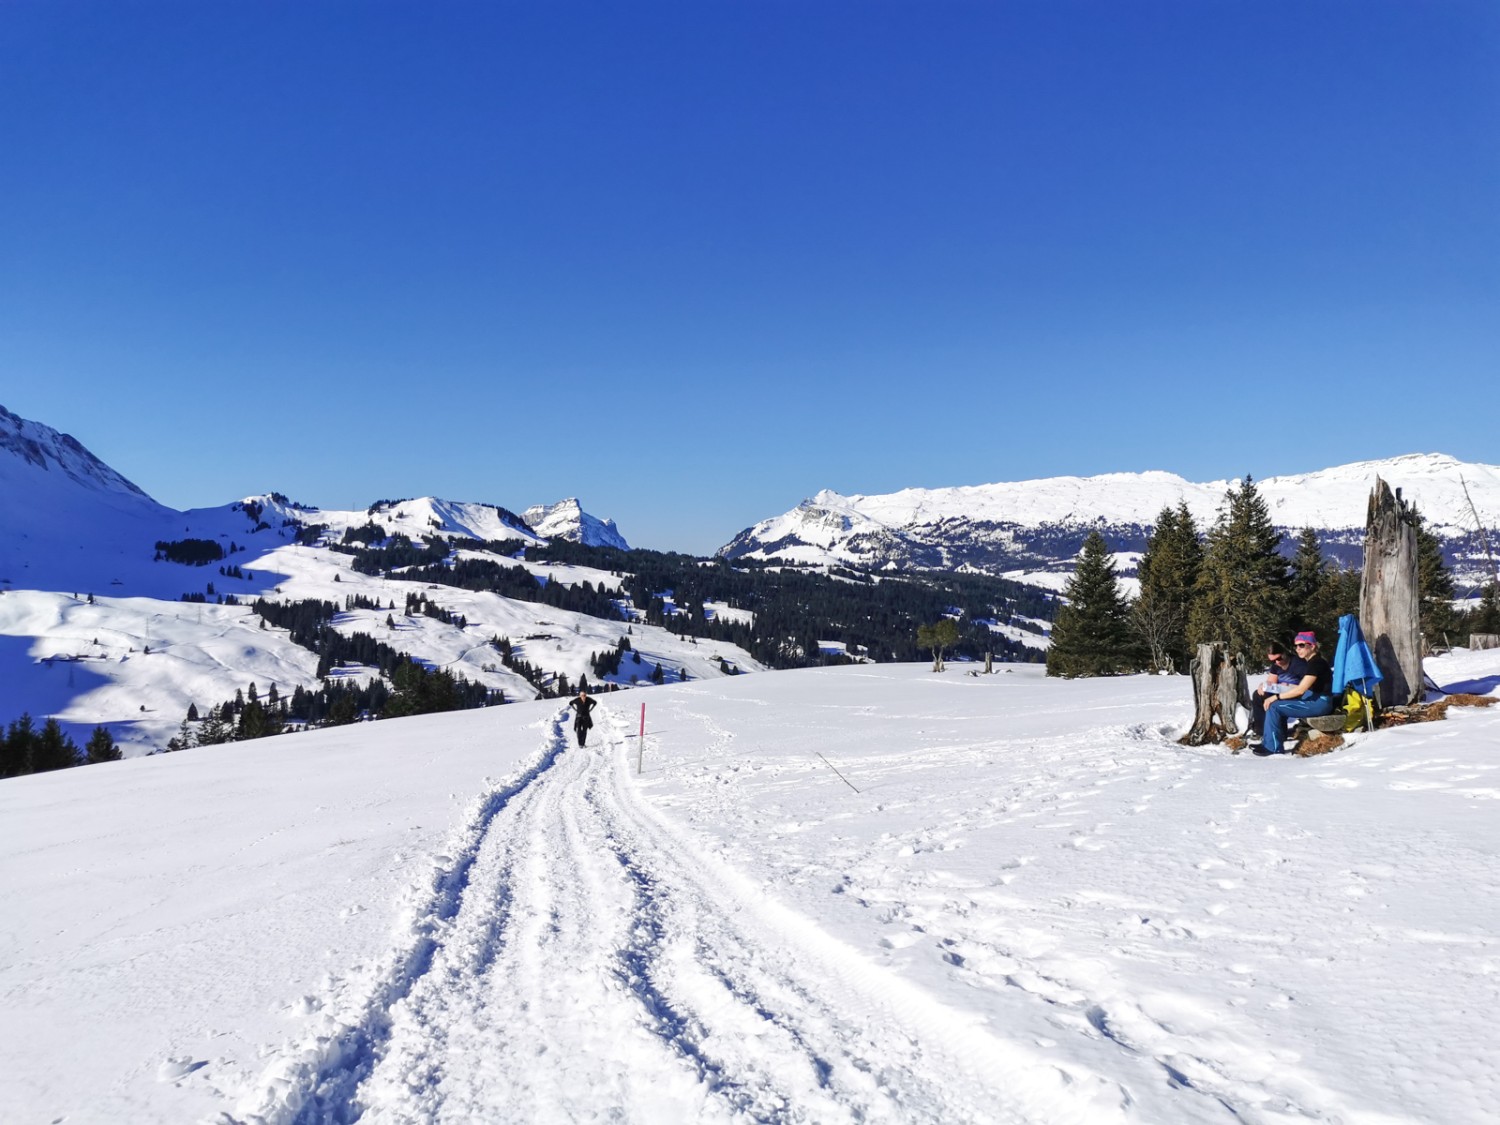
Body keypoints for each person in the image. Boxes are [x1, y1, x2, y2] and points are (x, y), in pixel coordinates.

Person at [1256, 631, 1334, 756]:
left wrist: (1276, 697)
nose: (1298, 649)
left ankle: (1273, 747)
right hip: (1313, 698)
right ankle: (1270, 741)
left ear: (1312, 646)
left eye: (1302, 645)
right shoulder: (1312, 662)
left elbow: (1300, 689)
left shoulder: (1316, 663)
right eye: (1296, 646)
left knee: (1274, 706)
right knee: (1274, 703)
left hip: (1319, 703)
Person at [1246, 641, 1306, 746]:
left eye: (1278, 658)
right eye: (1273, 661)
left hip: (1295, 694)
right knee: (1258, 695)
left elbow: (1304, 687)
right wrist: (1263, 686)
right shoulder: (1276, 666)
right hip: (1279, 692)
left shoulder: (1298, 664)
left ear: (1284, 653)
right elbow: (1271, 682)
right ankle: (1261, 731)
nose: (1277, 662)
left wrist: (1287, 687)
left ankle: (1279, 733)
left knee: (1275, 702)